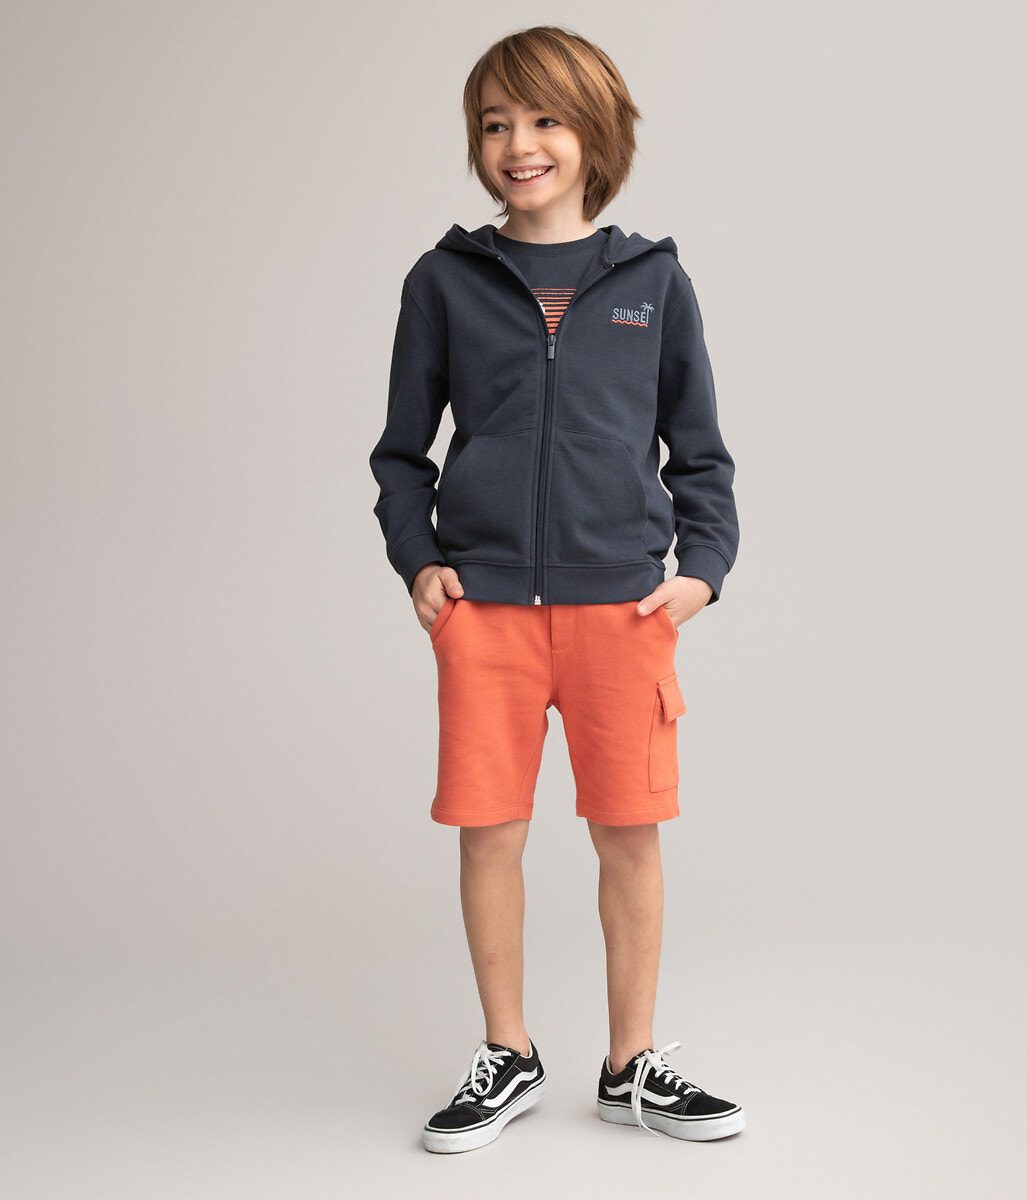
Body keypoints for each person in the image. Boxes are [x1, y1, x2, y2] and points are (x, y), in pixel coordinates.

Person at [369, 25, 743, 1153]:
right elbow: (400, 454)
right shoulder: (444, 281)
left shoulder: (654, 283)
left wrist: (702, 574)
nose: (518, 144)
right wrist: (420, 562)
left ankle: (632, 1065)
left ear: (596, 134)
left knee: (630, 835)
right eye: (496, 123)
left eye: (544, 119)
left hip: (621, 613)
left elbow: (701, 454)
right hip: (484, 614)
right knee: (490, 835)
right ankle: (508, 1050)